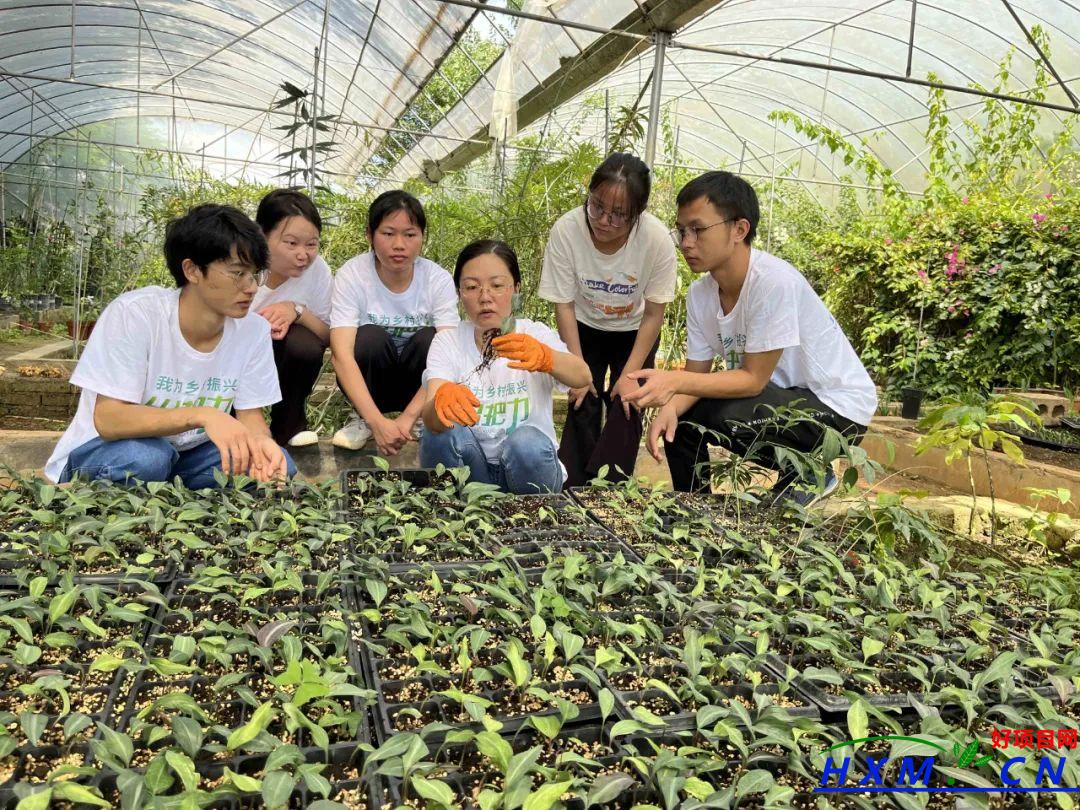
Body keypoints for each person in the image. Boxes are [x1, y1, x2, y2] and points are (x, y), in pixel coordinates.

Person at [623, 171, 877, 502]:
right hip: (779, 400)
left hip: (837, 411)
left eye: (698, 230)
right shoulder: (701, 295)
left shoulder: (773, 282)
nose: (686, 242)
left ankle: (809, 471)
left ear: (739, 229)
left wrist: (672, 383)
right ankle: (694, 512)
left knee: (726, 415)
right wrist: (671, 407)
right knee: (681, 424)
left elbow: (752, 381)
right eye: (682, 231)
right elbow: (695, 376)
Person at [45, 204, 295, 487]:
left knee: (278, 463)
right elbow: (109, 419)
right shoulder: (135, 315)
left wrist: (262, 444)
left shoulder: (253, 330)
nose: (251, 287)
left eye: (255, 274)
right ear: (191, 270)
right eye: (237, 273)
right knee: (148, 459)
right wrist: (203, 415)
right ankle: (81, 487)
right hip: (110, 452)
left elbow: (251, 418)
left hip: (186, 457)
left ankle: (170, 495)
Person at [538, 153, 677, 487]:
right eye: (597, 206)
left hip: (636, 330)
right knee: (582, 396)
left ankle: (611, 490)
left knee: (628, 403)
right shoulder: (567, 230)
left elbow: (655, 312)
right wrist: (577, 369)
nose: (603, 220)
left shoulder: (656, 241)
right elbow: (564, 304)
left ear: (637, 214)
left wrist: (629, 375)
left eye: (619, 215)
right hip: (583, 327)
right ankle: (572, 485)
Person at [420, 240, 591, 493]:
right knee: (440, 432)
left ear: (516, 289)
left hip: (529, 470)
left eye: (497, 286)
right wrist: (439, 404)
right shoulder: (448, 341)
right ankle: (450, 514)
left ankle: (536, 520)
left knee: (527, 442)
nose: (485, 297)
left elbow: (582, 376)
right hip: (472, 471)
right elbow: (431, 419)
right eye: (471, 287)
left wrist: (546, 358)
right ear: (459, 294)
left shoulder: (534, 334)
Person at [329, 190, 459, 456]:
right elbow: (341, 355)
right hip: (373, 383)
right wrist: (377, 423)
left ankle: (424, 419)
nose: (399, 245)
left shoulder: (437, 280)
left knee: (432, 340)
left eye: (410, 235)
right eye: (388, 234)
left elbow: (451, 355)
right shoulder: (353, 274)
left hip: (419, 386)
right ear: (370, 235)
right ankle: (363, 420)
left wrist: (408, 418)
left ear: (422, 237)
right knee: (368, 338)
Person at [252, 189, 332, 448]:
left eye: (312, 244)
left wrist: (297, 311)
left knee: (304, 345)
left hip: (280, 352)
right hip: (234, 355)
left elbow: (329, 334)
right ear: (262, 236)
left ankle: (288, 426)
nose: (303, 254)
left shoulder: (318, 270)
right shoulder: (241, 266)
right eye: (291, 243)